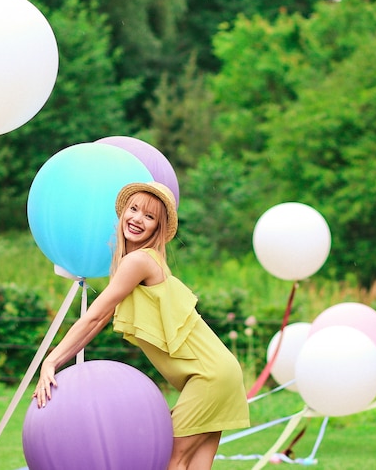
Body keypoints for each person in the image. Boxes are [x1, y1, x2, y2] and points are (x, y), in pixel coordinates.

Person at [34, 181, 250, 469]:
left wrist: (52, 361)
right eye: (133, 209)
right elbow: (101, 317)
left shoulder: (139, 261)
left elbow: (96, 316)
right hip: (218, 372)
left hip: (209, 376)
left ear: (157, 228)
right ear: (123, 212)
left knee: (170, 459)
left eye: (149, 216)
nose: (137, 219)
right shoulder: (142, 261)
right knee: (194, 464)